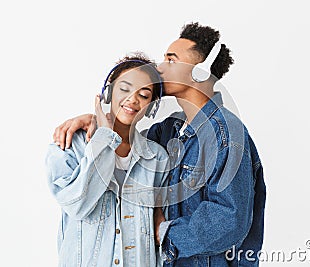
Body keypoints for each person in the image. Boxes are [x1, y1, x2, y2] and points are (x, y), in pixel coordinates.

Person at [53, 22, 266, 266]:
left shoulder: (226, 134)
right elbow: (131, 144)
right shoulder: (169, 130)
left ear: (201, 72)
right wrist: (96, 120)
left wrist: (164, 233)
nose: (160, 67)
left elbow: (229, 219)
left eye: (171, 60)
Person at [45, 54, 170, 267]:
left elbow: (156, 235)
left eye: (144, 95)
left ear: (151, 106)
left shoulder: (157, 158)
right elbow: (78, 205)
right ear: (108, 92)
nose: (132, 99)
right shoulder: (70, 144)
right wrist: (103, 136)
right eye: (124, 88)